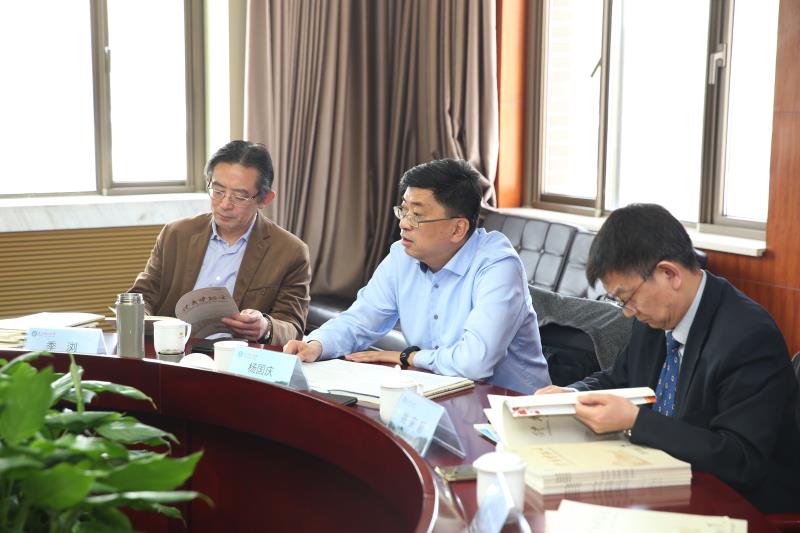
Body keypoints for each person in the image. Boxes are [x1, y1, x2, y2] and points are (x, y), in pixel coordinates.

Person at [536, 203, 800, 513]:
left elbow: (739, 459)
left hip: (737, 505)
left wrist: (636, 421)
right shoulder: (654, 318)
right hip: (660, 482)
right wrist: (572, 394)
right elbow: (619, 378)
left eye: (628, 297)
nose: (627, 312)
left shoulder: (748, 337)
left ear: (669, 273)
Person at [284, 159, 550, 393]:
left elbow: (474, 363)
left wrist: (408, 356)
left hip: (511, 410)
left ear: (458, 229)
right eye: (403, 210)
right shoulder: (402, 256)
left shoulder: (497, 265)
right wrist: (316, 345)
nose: (403, 223)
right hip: (435, 395)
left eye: (417, 215)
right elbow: (360, 320)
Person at [128, 140, 310, 345]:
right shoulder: (176, 234)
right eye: (218, 191)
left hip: (238, 354)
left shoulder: (290, 251)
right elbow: (143, 295)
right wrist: (139, 317)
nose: (225, 204)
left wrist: (266, 327)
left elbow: (293, 326)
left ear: (265, 198)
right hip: (174, 350)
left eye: (240, 196)